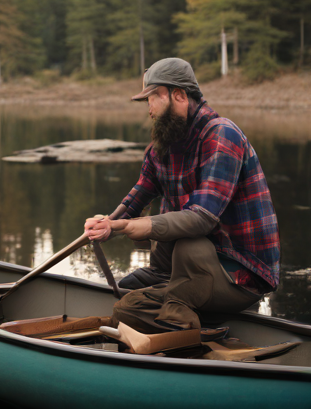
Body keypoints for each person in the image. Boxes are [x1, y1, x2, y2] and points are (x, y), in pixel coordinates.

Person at [84, 58, 280, 352]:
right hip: (190, 268)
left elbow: (202, 219)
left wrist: (133, 227)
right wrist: (108, 223)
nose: (149, 109)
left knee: (189, 245)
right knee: (128, 289)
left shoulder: (222, 135)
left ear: (178, 95)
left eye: (153, 98)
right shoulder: (162, 148)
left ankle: (198, 337)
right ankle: (190, 319)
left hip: (240, 273)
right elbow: (137, 197)